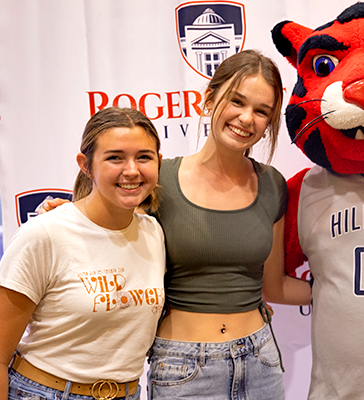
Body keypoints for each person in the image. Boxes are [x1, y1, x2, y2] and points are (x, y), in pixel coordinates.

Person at [144, 49, 310, 399]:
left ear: (269, 124)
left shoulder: (272, 185)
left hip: (261, 362)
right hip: (183, 369)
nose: (246, 118)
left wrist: (352, 293)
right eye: (237, 101)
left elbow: (275, 287)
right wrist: (62, 218)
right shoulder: (160, 179)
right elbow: (103, 228)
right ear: (209, 99)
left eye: (262, 111)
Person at [0, 107, 166, 400]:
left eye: (144, 157)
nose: (131, 170)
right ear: (85, 165)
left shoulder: (154, 233)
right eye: (115, 157)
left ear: (158, 162)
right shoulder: (45, 235)